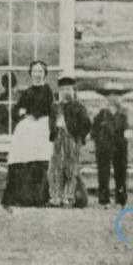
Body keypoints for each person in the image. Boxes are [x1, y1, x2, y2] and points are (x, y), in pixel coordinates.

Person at [1, 60, 54, 208]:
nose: (37, 74)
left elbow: (47, 107)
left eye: (40, 72)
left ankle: (39, 197)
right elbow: (17, 109)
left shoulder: (47, 90)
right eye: (35, 72)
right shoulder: (27, 91)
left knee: (39, 157)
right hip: (27, 127)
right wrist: (22, 114)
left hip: (42, 125)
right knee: (21, 157)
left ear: (44, 74)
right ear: (31, 74)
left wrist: (33, 115)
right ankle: (22, 197)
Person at [48, 76, 91, 208]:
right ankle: (55, 197)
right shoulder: (55, 107)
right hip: (58, 138)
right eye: (63, 89)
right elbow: (51, 122)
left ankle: (69, 197)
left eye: (68, 89)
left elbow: (87, 124)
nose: (66, 91)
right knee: (56, 168)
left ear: (73, 90)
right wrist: (53, 133)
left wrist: (79, 136)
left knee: (71, 168)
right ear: (59, 91)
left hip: (72, 138)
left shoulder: (79, 107)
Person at [92, 81, 130, 207]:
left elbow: (129, 130)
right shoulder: (101, 113)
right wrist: (99, 141)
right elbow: (94, 130)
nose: (113, 97)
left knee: (121, 172)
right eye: (110, 94)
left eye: (117, 95)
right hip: (104, 147)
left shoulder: (124, 113)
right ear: (106, 97)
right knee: (103, 173)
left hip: (120, 147)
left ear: (120, 97)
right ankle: (104, 200)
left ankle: (121, 199)